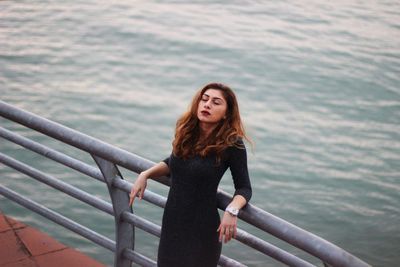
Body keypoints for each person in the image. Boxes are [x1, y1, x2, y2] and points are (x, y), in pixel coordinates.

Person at [129, 82, 253, 267]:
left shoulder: (232, 144)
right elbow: (174, 162)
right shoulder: (188, 132)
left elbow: (244, 188)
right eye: (204, 99)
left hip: (202, 230)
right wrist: (145, 174)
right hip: (173, 224)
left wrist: (232, 210)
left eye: (216, 102)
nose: (207, 104)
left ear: (227, 113)